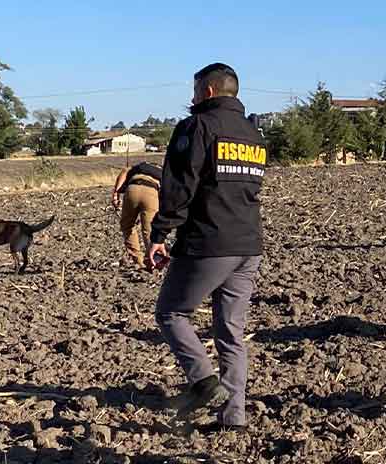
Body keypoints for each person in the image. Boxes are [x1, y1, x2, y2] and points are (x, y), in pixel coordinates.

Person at [147, 63, 266, 429]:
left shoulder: (197, 127)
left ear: (208, 92)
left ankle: (203, 381)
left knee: (170, 313)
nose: (192, 97)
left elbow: (179, 186)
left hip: (209, 243)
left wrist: (159, 234)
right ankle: (234, 418)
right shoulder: (253, 133)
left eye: (196, 91)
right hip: (249, 246)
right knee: (231, 333)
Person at [111, 162, 162, 268]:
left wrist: (115, 195)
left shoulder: (139, 167)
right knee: (150, 230)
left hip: (132, 189)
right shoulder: (163, 172)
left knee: (127, 226)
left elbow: (124, 171)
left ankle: (138, 260)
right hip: (152, 191)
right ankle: (153, 261)